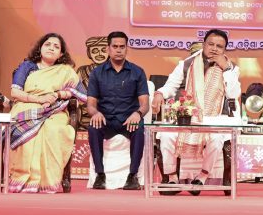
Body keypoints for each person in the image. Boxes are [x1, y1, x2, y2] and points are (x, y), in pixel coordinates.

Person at [151, 29, 241, 195]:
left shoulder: (231, 68)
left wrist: (226, 69)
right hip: (189, 117)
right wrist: (159, 94)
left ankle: (201, 178)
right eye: (211, 44)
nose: (214, 49)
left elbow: (234, 94)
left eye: (219, 46)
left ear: (224, 49)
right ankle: (172, 179)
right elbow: (171, 86)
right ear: (204, 44)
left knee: (216, 139)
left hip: (214, 119)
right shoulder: (187, 64)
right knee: (166, 135)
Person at [8, 33, 87, 193]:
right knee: (31, 134)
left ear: (61, 54)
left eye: (56, 47)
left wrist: (59, 94)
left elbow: (83, 95)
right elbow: (15, 92)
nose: (51, 48)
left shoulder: (65, 71)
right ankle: (23, 179)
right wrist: (39, 99)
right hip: (26, 106)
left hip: (54, 110)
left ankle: (47, 182)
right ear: (40, 48)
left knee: (53, 130)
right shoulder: (27, 66)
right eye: (48, 44)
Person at [87, 31, 149, 191]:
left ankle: (132, 176)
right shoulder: (97, 73)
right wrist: (96, 113)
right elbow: (90, 105)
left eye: (122, 46)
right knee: (93, 127)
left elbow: (145, 104)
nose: (119, 50)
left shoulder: (137, 72)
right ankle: (100, 175)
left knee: (139, 128)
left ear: (127, 48)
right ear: (108, 49)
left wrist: (137, 114)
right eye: (115, 46)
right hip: (106, 120)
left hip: (128, 120)